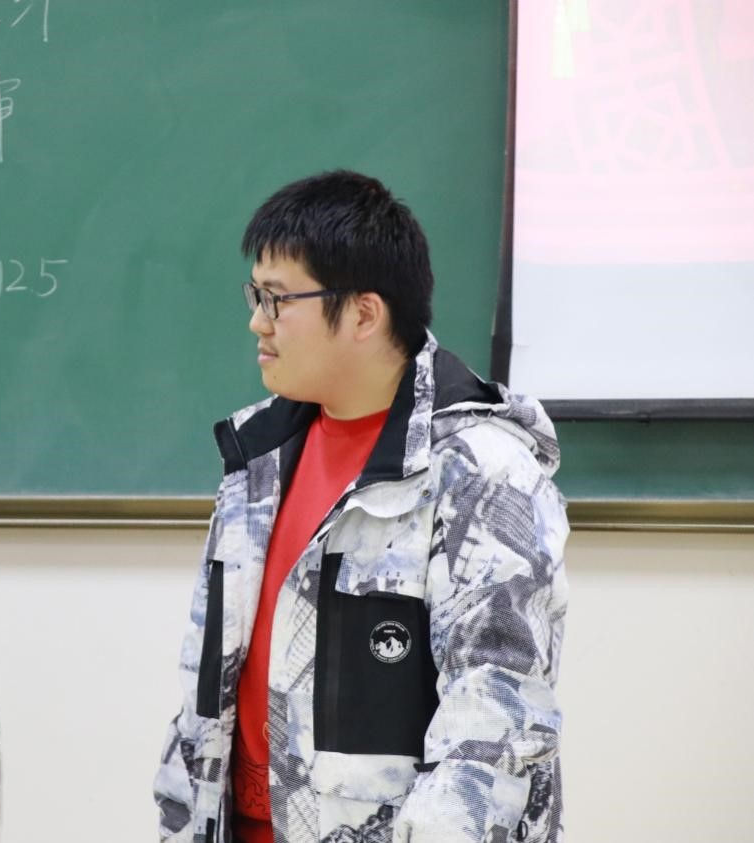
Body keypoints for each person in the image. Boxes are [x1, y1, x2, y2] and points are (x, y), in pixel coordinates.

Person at [154, 171, 568, 843]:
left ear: (363, 314)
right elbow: (205, 694)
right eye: (255, 295)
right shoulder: (258, 458)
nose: (257, 320)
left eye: (276, 298)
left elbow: (492, 725)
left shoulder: (479, 471)